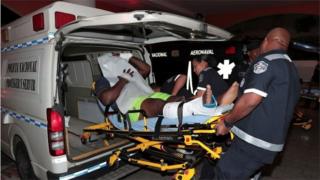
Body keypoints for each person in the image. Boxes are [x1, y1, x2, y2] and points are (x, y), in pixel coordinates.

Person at [200, 27, 300, 179]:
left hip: (252, 143)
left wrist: (227, 123)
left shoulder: (266, 62)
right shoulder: (291, 68)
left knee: (224, 174)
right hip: (270, 143)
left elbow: (251, 100)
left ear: (266, 40)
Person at [95, 53, 239, 122]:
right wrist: (122, 80)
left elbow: (145, 69)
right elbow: (107, 99)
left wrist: (126, 57)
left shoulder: (130, 74)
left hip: (148, 96)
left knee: (177, 98)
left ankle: (219, 101)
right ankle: (201, 107)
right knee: (157, 105)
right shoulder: (104, 80)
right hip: (131, 105)